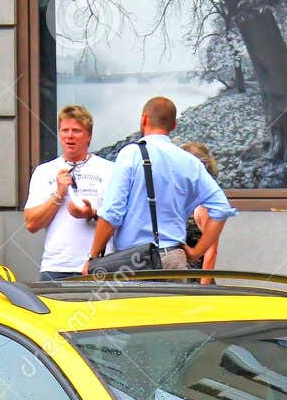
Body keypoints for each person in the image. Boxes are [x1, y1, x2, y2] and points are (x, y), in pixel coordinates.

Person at [86, 96, 234, 272]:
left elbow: (112, 214)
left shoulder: (131, 155)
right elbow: (222, 208)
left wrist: (93, 257)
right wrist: (196, 252)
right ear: (173, 126)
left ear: (144, 119)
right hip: (174, 258)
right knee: (169, 301)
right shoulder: (190, 162)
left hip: (133, 261)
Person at [23, 104, 113, 280]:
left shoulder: (108, 169)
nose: (69, 136)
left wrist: (92, 213)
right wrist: (58, 194)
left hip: (99, 265)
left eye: (76, 131)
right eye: (65, 130)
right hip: (56, 266)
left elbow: (118, 217)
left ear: (89, 135)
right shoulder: (44, 171)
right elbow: (31, 224)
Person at [178, 141, 220, 273]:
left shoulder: (204, 206)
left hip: (195, 282)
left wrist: (203, 288)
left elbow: (211, 253)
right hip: (176, 280)